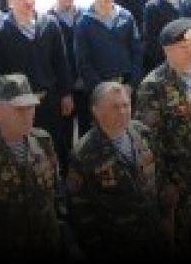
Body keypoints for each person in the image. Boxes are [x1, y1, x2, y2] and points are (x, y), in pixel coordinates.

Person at [134, 18, 191, 262]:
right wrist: (164, 183)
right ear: (167, 50)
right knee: (178, 245)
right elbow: (148, 143)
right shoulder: (152, 86)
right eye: (184, 47)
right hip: (178, 186)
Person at [0, 74, 66, 258]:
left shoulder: (43, 140)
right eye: (19, 109)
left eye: (30, 107)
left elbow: (55, 194)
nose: (27, 115)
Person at [67, 82, 169, 262]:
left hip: (153, 238)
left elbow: (159, 176)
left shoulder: (141, 132)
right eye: (115, 106)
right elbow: (80, 211)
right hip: (116, 246)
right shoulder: (83, 153)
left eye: (126, 105)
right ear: (97, 111)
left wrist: (165, 216)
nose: (122, 111)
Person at [0, 0, 75, 170]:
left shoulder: (49, 23)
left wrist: (66, 93)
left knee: (56, 144)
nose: (27, 1)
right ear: (10, 1)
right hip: (19, 103)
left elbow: (61, 61)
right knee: (26, 147)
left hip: (49, 98)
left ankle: (58, 182)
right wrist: (3, 105)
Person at [75, 0, 144, 96]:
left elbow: (137, 51)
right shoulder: (83, 22)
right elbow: (83, 62)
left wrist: (132, 84)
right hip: (101, 87)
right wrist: (100, 89)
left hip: (127, 84)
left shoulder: (126, 16)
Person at [48, 0, 90, 143]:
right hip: (62, 86)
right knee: (64, 132)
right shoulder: (48, 20)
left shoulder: (85, 15)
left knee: (87, 130)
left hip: (85, 83)